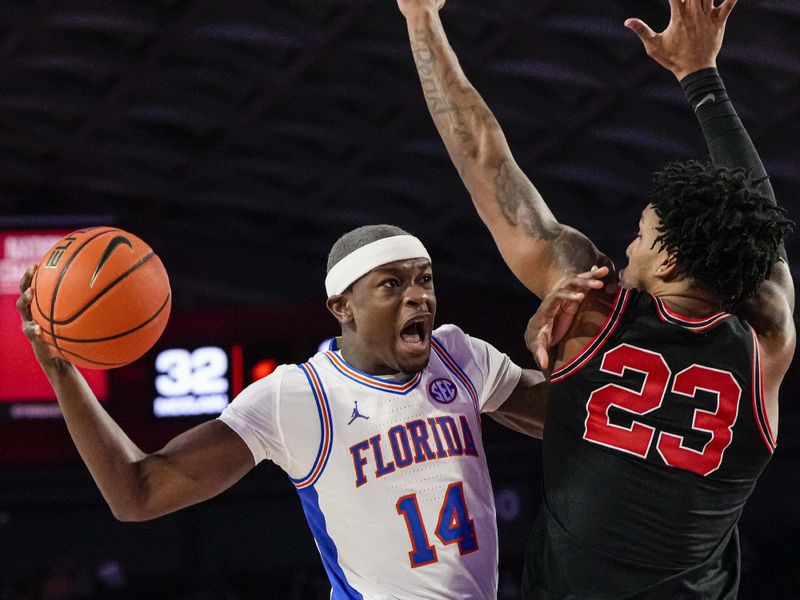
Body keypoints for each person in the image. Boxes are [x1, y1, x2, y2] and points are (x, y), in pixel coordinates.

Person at [397, 0, 794, 597]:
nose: (629, 247)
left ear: (670, 261)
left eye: (642, 235)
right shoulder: (768, 342)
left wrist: (420, 19)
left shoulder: (591, 311)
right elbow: (762, 228)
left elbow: (485, 159)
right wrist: (702, 79)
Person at [19, 223, 576, 599]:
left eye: (424, 279)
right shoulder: (296, 395)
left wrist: (572, 339)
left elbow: (574, 419)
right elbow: (136, 493)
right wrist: (62, 373)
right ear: (342, 307)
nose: (419, 296)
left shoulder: (458, 355)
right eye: (392, 283)